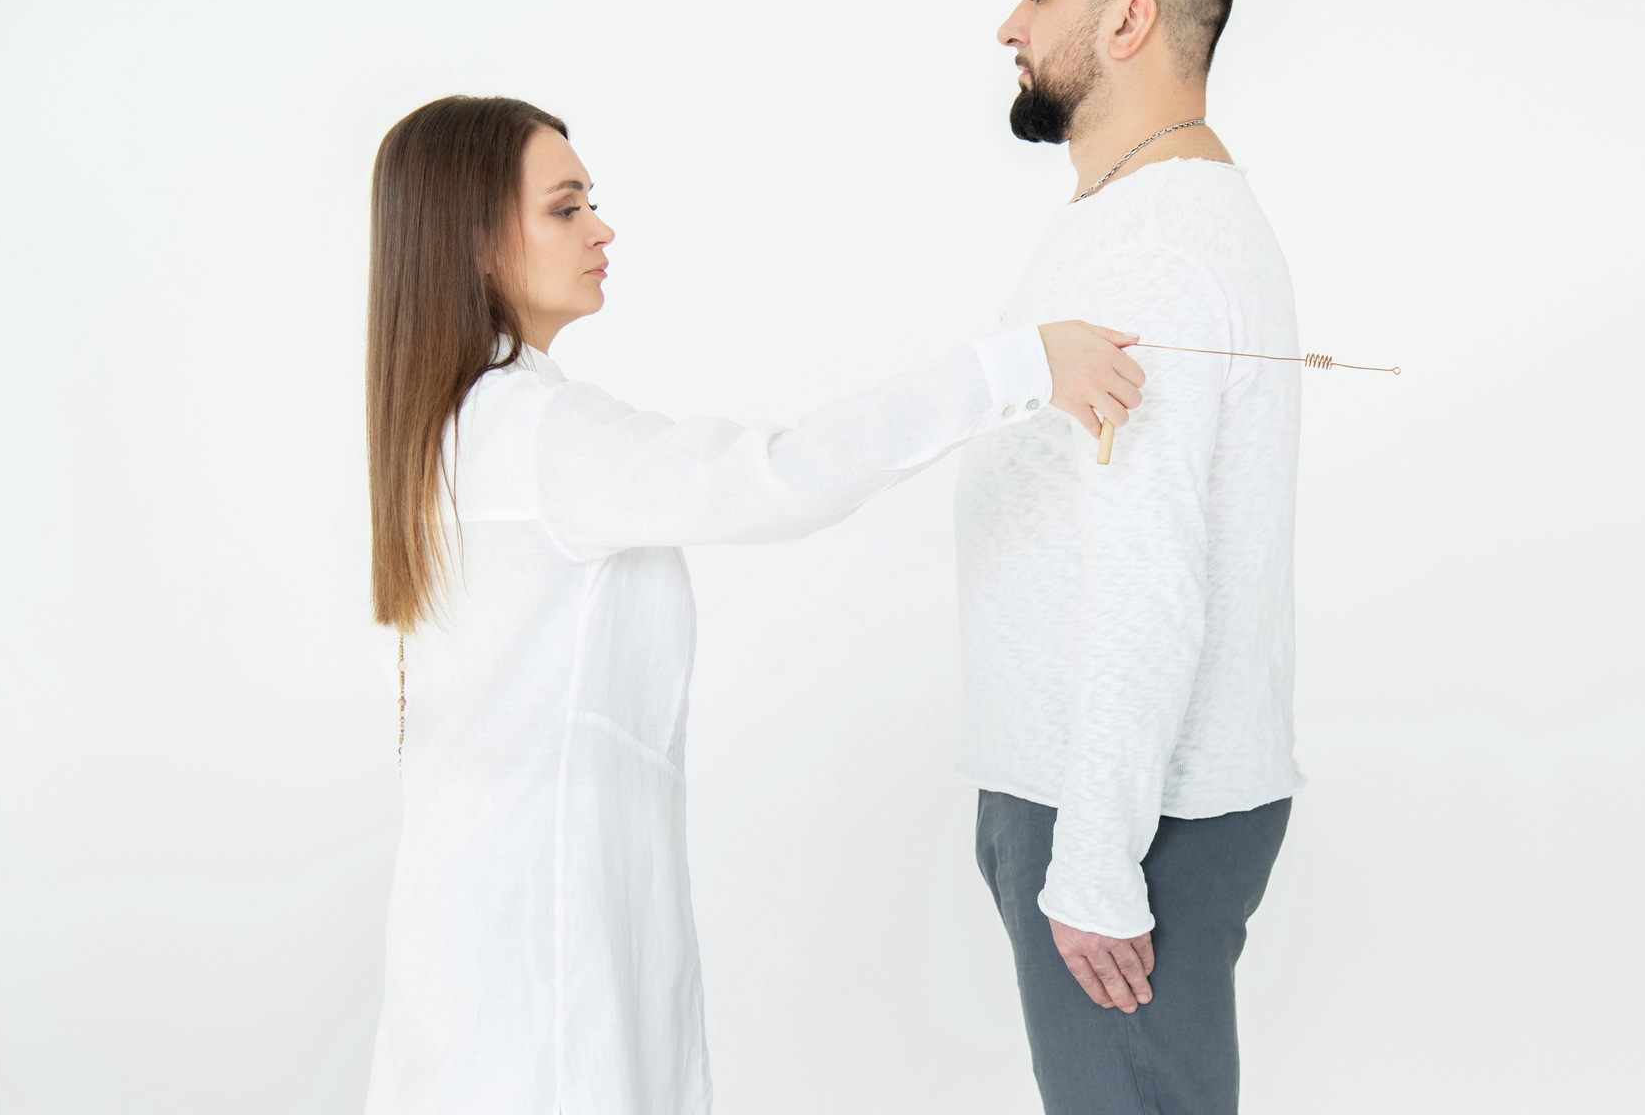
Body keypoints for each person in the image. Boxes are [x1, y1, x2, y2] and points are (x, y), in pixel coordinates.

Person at [360, 95, 1145, 1114]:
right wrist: (1016, 366)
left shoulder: (458, 432)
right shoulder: (533, 434)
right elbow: (775, 476)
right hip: (537, 946)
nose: (603, 229)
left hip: (480, 931)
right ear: (472, 242)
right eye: (565, 207)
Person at [956, 0, 1304, 1114]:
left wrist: (1097, 861)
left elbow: (1149, 571)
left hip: (1122, 812)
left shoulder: (1152, 245)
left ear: (1128, 21)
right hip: (1107, 793)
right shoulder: (1152, 215)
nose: (1009, 24)